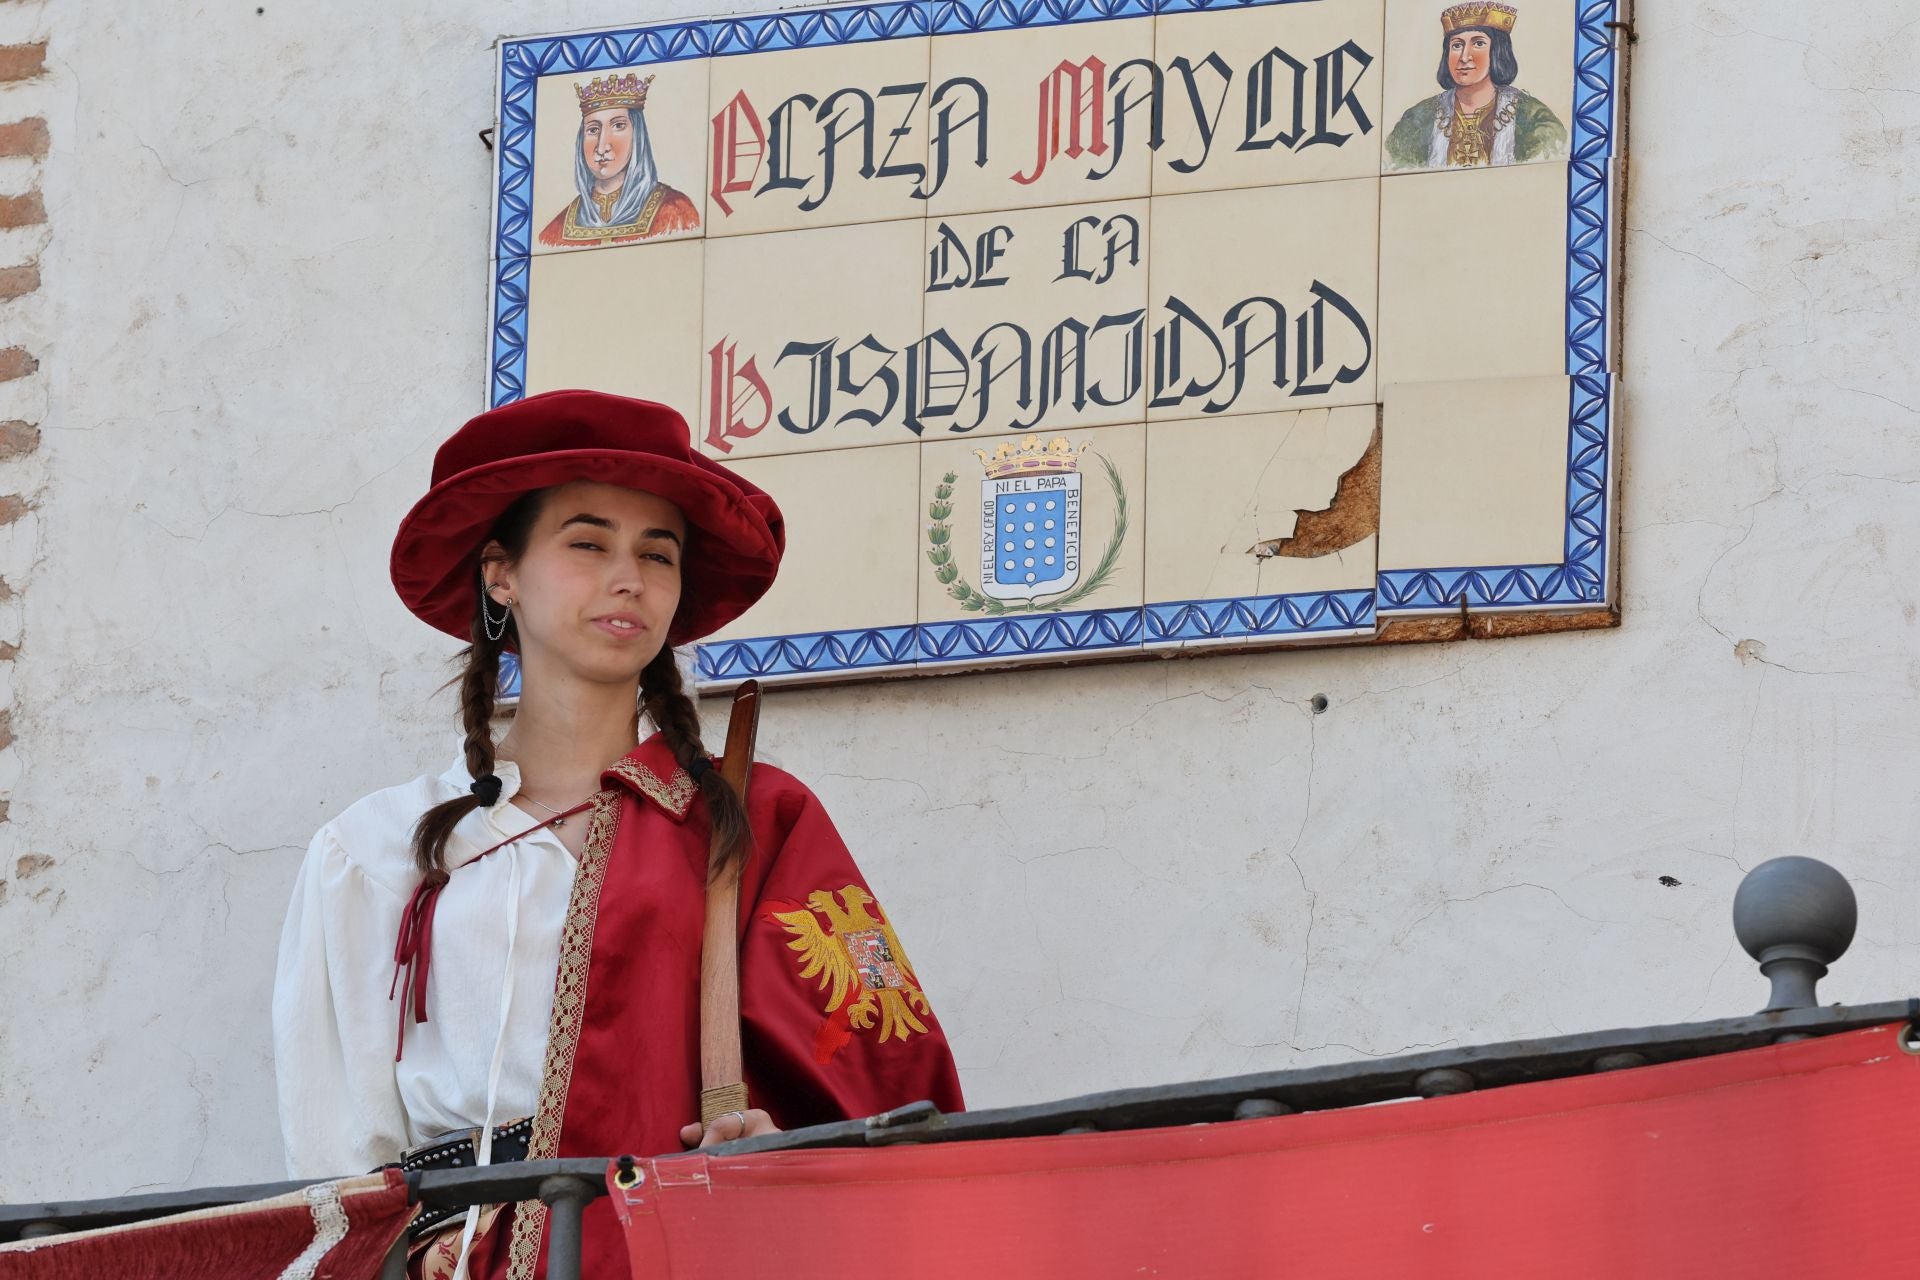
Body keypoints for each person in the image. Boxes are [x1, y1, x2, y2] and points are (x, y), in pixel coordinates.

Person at [272, 390, 963, 1279]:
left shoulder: (751, 819)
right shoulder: (372, 850)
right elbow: (339, 1165)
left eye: (657, 553)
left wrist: (780, 1145)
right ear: (502, 574)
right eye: (588, 544)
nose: (628, 577)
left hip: (677, 1255)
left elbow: (885, 1084)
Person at [1384, 3, 1566, 171]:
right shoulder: (1417, 120)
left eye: (1478, 43)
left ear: (1497, 51)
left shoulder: (1534, 119)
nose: (1464, 57)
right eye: (1457, 45)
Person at [536, 72, 701, 248]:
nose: (602, 147)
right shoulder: (557, 229)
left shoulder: (675, 211)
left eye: (618, 126)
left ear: (637, 135)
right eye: (593, 130)